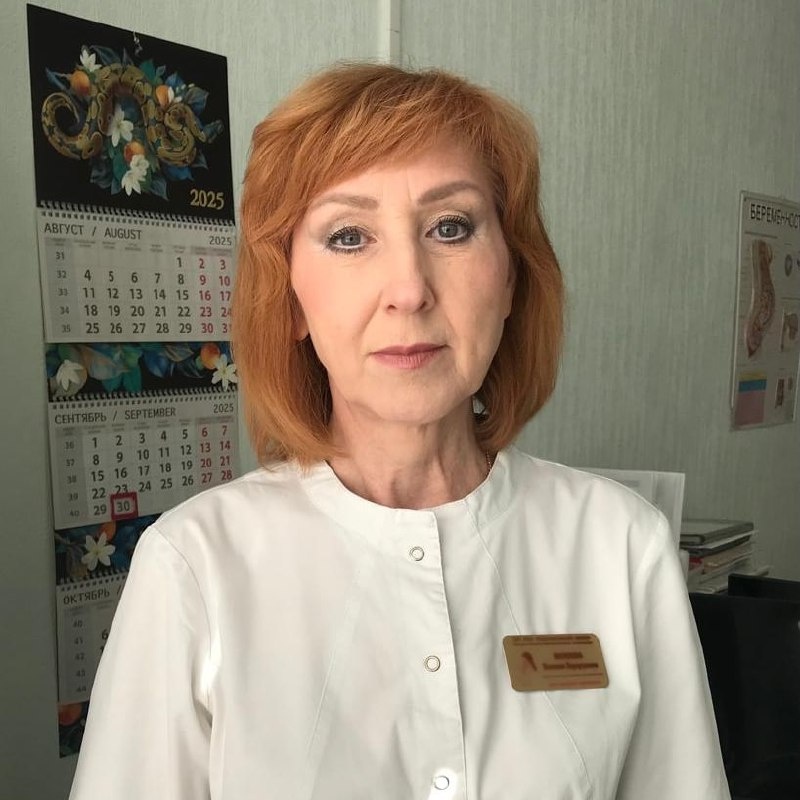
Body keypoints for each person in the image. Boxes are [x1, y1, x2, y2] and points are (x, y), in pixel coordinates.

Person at [69, 63, 730, 799]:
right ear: (290, 299)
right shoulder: (195, 567)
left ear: (511, 278)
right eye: (350, 236)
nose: (410, 290)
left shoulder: (621, 547)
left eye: (451, 227)